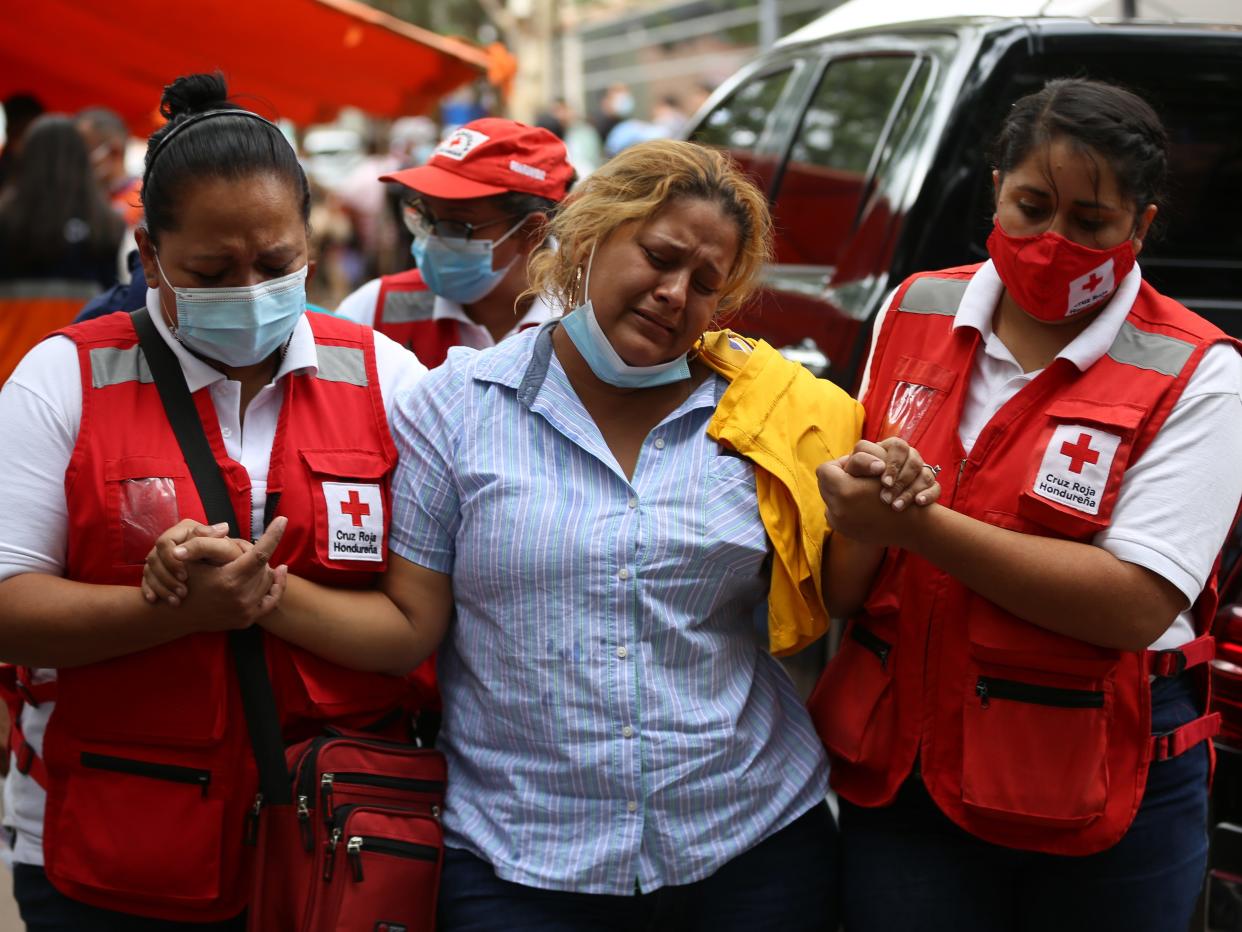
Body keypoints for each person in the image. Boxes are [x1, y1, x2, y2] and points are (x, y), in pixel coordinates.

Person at [365, 139, 934, 929]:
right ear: (594, 236)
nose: (675, 294)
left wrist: (876, 505)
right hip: (522, 861)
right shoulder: (456, 407)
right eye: (659, 258)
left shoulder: (770, 412)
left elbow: (836, 597)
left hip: (750, 847)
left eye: (707, 283)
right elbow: (409, 625)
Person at [811, 78, 1242, 932]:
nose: (1053, 242)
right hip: (907, 774)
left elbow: (1132, 603)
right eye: (1032, 206)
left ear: (1141, 227)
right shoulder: (915, 307)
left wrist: (917, 524)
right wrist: (862, 507)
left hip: (1096, 790)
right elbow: (845, 588)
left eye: (1091, 223)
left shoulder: (1199, 371)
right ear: (996, 188)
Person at [0, 71, 429, 929]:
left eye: (276, 263)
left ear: (311, 238)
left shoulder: (389, 378)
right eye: (211, 268)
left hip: (332, 846)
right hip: (109, 847)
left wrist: (260, 595)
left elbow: (419, 624)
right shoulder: (63, 379)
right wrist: (174, 610)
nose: (249, 288)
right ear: (150, 254)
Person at [334, 117, 575, 368]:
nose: (433, 240)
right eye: (426, 218)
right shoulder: (373, 310)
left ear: (530, 232)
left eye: (456, 226)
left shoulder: (579, 324)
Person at [0, 114, 123, 289]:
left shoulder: (6, 220)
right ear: (82, 159)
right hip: (85, 317)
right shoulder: (107, 226)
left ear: (28, 158)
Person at [77, 107, 143, 229]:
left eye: (85, 149)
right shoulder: (81, 198)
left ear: (115, 151)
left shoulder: (143, 200)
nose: (77, 158)